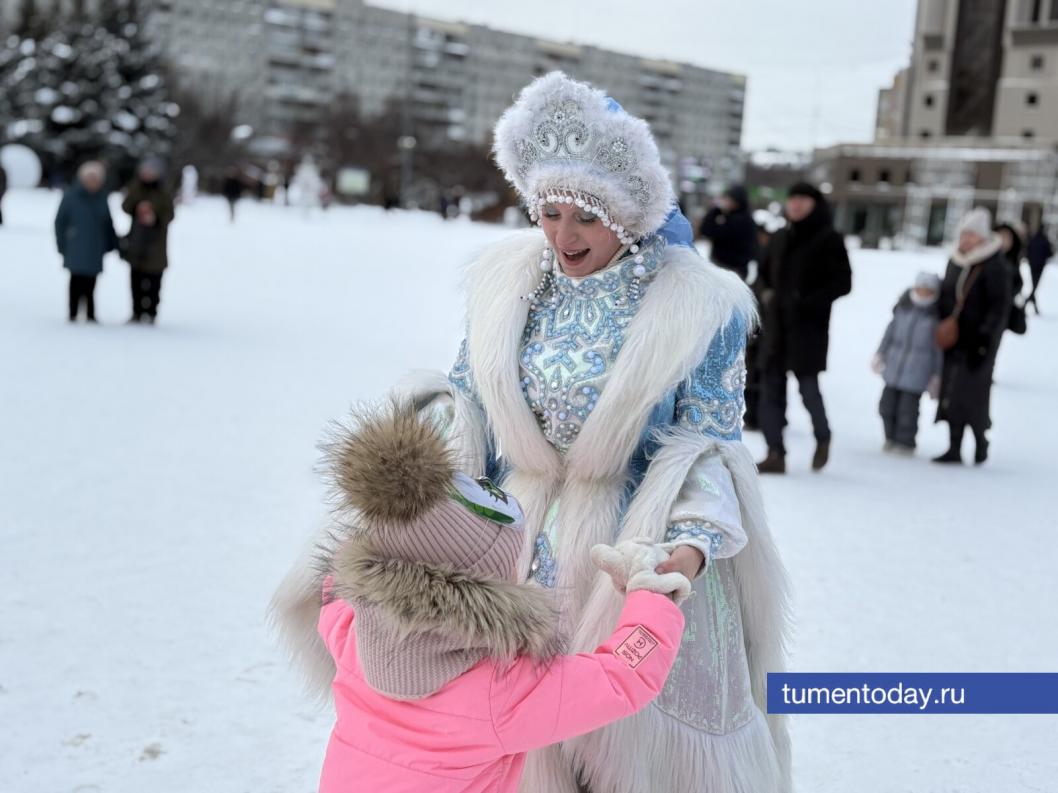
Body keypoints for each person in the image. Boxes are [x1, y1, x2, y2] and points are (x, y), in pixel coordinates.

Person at [301, 72, 789, 793]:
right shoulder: (506, 283)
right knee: (516, 735)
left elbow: (707, 446)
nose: (562, 235)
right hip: (516, 547)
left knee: (625, 735)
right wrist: (406, 486)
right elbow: (469, 402)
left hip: (633, 547)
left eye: (585, 217)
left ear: (626, 215)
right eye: (549, 210)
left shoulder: (700, 307)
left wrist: (677, 558)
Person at [274, 402, 690, 793]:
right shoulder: (500, 690)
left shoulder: (351, 631)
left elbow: (333, 590)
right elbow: (621, 678)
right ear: (490, 578)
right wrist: (650, 596)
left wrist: (377, 544)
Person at [756, 182, 852, 474]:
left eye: (802, 199)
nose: (795, 204)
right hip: (776, 327)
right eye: (792, 198)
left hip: (807, 329)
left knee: (808, 390)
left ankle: (823, 437)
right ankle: (775, 452)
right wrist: (767, 294)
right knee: (770, 388)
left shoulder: (829, 239)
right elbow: (762, 275)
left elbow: (843, 283)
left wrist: (808, 302)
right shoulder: (779, 237)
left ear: (814, 204)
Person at [934, 208, 1011, 465]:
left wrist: (985, 340)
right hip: (954, 338)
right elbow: (946, 294)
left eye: (972, 235)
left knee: (974, 394)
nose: (966, 240)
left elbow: (999, 307)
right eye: (964, 234)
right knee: (951, 392)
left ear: (982, 236)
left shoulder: (994, 264)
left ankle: (980, 440)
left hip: (979, 342)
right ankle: (954, 446)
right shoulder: (956, 260)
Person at [871, 272, 943, 454]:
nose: (923, 293)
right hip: (894, 369)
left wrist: (936, 376)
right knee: (886, 406)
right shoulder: (903, 309)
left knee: (907, 412)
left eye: (928, 290)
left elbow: (938, 351)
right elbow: (890, 334)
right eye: (920, 289)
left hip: (917, 374)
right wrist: (881, 354)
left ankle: (905, 442)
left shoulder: (935, 318)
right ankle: (890, 437)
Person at [54, 161, 118, 323]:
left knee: (91, 282)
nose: (93, 182)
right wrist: (62, 245)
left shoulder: (102, 198)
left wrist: (112, 243)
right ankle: (73, 312)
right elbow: (60, 222)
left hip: (95, 247)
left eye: (96, 178)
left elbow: (108, 223)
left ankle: (90, 314)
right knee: (75, 281)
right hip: (75, 246)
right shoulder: (71, 196)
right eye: (90, 178)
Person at [121, 158, 174, 324]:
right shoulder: (135, 187)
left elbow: (170, 215)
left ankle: (151, 312)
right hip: (137, 242)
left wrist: (155, 218)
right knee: (136, 281)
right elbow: (125, 206)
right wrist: (138, 206)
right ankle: (136, 311)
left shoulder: (163, 191)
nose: (148, 174)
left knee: (154, 282)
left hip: (156, 244)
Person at [698, 184, 757, 281]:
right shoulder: (743, 218)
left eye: (728, 199)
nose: (725, 202)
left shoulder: (738, 220)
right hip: (732, 269)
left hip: (729, 270)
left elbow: (708, 231)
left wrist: (715, 210)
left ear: (736, 201)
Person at [995, 221, 1027, 336]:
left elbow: (1019, 283)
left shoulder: (1013, 261)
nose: (1004, 241)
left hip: (1001, 315)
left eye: (1008, 238)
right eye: (1001, 236)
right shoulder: (985, 259)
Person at [1026, 225, 1054, 315]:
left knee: (1034, 286)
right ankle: (1028, 302)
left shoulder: (1033, 239)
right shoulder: (1045, 241)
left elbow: (1027, 250)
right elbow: (1050, 253)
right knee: (1035, 286)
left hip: (1033, 266)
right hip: (1039, 267)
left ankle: (1030, 303)